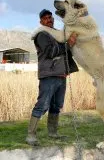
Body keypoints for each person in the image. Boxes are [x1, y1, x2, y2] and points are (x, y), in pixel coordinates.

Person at [26, 9, 78, 146]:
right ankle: (30, 135)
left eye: (50, 17)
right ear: (41, 21)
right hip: (48, 75)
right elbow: (50, 52)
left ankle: (53, 133)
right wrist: (68, 45)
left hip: (61, 75)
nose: (49, 19)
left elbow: (66, 52)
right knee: (42, 105)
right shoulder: (41, 34)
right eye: (45, 18)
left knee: (56, 106)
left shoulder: (57, 34)